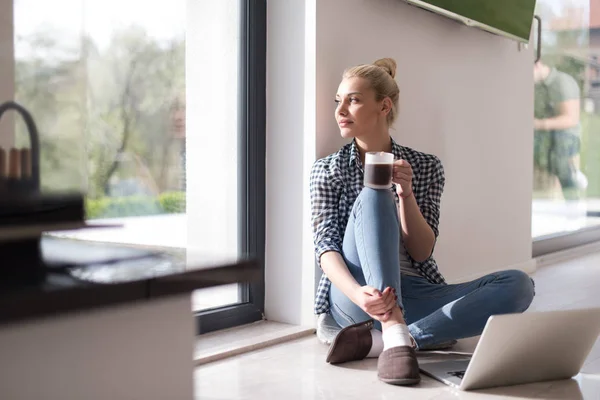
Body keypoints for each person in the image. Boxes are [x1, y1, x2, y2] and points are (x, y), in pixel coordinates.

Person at [310, 57, 536, 386]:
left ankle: (394, 340)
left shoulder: (426, 166)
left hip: (416, 292)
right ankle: (393, 329)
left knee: (519, 285)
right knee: (374, 194)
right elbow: (326, 247)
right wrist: (362, 297)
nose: (340, 109)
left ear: (383, 106)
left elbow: (421, 252)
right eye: (338, 101)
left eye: (353, 100)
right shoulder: (327, 170)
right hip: (358, 296)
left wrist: (406, 194)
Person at [533, 59, 585, 199]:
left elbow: (571, 118)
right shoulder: (538, 85)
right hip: (544, 149)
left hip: (563, 149)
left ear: (537, 65)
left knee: (567, 192)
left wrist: (537, 124)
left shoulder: (562, 83)